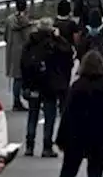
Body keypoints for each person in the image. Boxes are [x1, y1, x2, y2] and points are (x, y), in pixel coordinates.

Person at [22, 18, 75, 158]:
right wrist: (59, 38)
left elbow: (23, 64)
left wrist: (25, 84)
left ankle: (29, 145)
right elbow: (68, 53)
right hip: (49, 86)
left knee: (32, 115)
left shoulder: (30, 43)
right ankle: (47, 146)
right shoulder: (54, 44)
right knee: (49, 117)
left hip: (33, 84)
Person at [3, 0, 34, 111]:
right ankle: (23, 99)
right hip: (23, 52)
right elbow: (29, 38)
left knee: (16, 77)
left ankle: (16, 101)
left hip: (12, 51)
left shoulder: (9, 19)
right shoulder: (26, 22)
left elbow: (5, 37)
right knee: (22, 77)